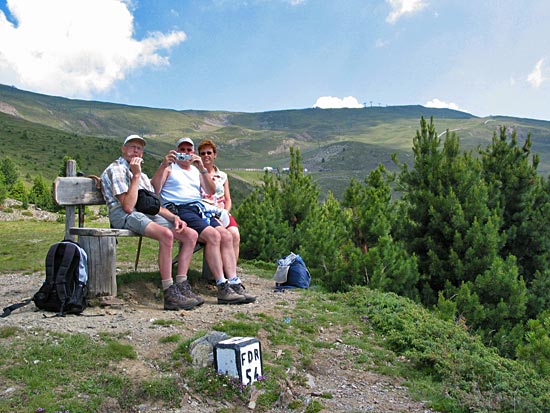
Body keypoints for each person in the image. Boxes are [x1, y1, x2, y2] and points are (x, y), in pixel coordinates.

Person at [100, 134, 204, 311]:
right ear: (123, 149)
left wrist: (174, 217)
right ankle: (169, 291)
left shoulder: (140, 173)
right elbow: (127, 206)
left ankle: (182, 284)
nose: (136, 151)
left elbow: (151, 204)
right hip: (122, 214)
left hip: (142, 212)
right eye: (132, 147)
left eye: (139, 148)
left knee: (190, 234)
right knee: (166, 234)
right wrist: (135, 176)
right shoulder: (116, 169)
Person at [151, 137, 256, 304]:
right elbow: (155, 189)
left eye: (188, 150)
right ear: (176, 151)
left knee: (226, 235)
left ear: (192, 153)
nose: (185, 153)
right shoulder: (170, 168)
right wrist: (163, 165)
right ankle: (222, 286)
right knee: (213, 236)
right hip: (181, 209)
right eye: (182, 150)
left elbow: (211, 190)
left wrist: (202, 169)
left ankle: (234, 282)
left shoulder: (195, 170)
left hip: (200, 209)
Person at [197, 139, 240, 265]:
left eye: (209, 153)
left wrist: (226, 212)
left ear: (214, 155)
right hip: (205, 212)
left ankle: (232, 271)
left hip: (222, 211)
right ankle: (218, 271)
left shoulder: (223, 176)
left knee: (235, 235)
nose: (206, 156)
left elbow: (228, 198)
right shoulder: (195, 173)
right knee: (222, 235)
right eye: (203, 153)